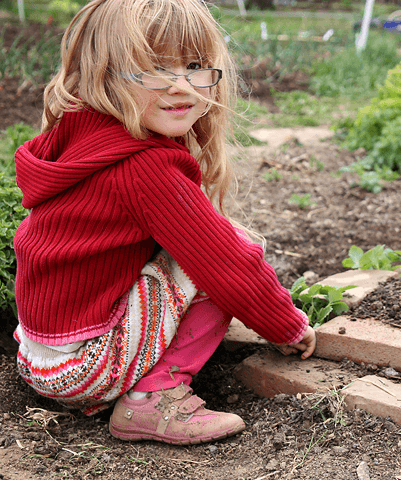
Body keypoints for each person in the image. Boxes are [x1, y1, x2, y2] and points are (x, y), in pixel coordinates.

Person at [12, 0, 316, 446]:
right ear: (103, 74)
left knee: (200, 246)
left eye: (194, 65)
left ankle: (131, 374)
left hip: (38, 356)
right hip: (84, 370)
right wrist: (286, 326)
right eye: (153, 68)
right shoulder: (145, 167)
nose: (183, 88)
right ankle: (154, 401)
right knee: (226, 250)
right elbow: (229, 264)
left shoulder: (80, 133)